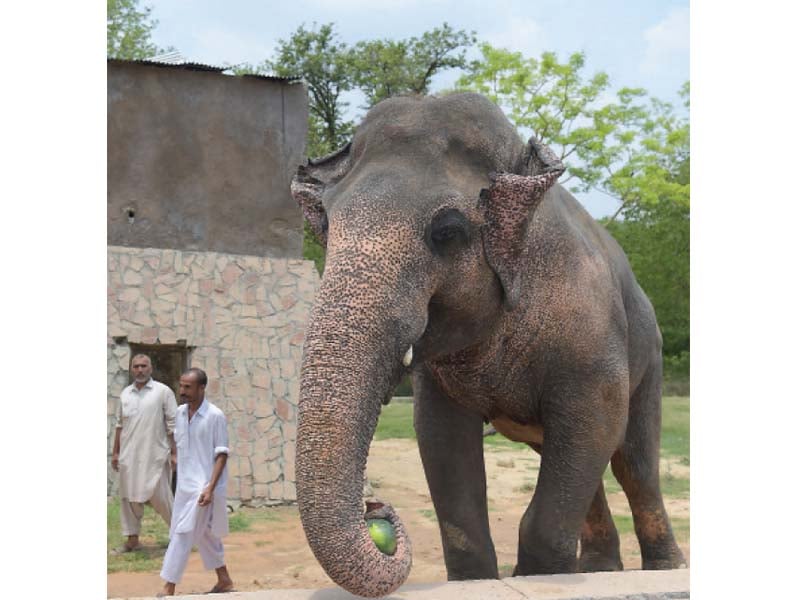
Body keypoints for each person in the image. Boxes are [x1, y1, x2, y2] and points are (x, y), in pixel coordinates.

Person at [159, 367, 233, 596]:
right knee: (205, 534)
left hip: (205, 488)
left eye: (188, 387)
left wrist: (210, 488)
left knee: (183, 532)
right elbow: (178, 442)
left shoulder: (215, 416)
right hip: (184, 487)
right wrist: (174, 456)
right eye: (181, 386)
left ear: (202, 388)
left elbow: (221, 454)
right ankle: (224, 579)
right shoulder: (180, 414)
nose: (182, 391)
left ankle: (169, 586)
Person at [112, 353, 177, 553]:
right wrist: (115, 453)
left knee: (162, 498)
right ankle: (132, 540)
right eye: (136, 366)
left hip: (155, 455)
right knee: (129, 498)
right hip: (129, 457)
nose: (140, 370)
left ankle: (179, 536)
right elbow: (119, 426)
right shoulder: (125, 394)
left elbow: (173, 425)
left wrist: (175, 453)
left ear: (151, 368)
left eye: (144, 366)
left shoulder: (163, 392)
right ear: (131, 369)